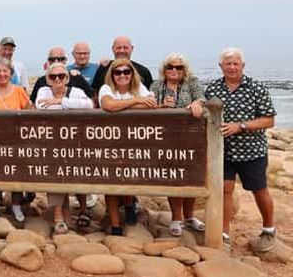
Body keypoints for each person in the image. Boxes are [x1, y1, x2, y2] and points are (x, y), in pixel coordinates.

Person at [204, 47, 277, 251]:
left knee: (259, 190)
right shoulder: (213, 89)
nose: (232, 67)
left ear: (243, 65)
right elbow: (206, 115)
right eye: (228, 64)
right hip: (222, 152)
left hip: (252, 152)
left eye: (236, 63)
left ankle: (269, 230)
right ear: (221, 66)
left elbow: (269, 120)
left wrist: (240, 126)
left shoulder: (256, 87)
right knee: (226, 190)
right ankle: (224, 234)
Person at [149, 53, 206, 236]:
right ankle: (176, 218)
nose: (174, 70)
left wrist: (197, 103)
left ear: (184, 70)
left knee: (191, 177)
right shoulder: (157, 85)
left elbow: (202, 98)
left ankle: (189, 217)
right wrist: (160, 106)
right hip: (165, 139)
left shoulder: (192, 82)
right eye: (170, 67)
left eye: (178, 67)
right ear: (164, 70)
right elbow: (148, 106)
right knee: (174, 177)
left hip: (190, 138)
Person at [99, 59, 157, 235]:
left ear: (132, 74)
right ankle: (116, 225)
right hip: (110, 142)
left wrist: (123, 105)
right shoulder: (106, 89)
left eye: (126, 71)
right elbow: (108, 105)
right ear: (112, 74)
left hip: (134, 142)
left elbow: (151, 106)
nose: (122, 75)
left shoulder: (140, 88)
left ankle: (129, 205)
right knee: (110, 184)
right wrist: (136, 102)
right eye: (118, 72)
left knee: (128, 177)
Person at [34, 63, 95, 234]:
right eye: (53, 77)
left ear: (67, 78)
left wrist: (61, 101)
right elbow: (41, 106)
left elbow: (89, 105)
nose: (58, 80)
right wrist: (70, 105)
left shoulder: (76, 91)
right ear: (48, 79)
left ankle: (83, 210)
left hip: (76, 142)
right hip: (52, 143)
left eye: (61, 76)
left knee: (79, 174)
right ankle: (59, 215)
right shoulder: (43, 92)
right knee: (54, 176)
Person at [0, 58, 31, 221]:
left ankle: (16, 205)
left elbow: (30, 112)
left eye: (5, 71)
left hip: (17, 140)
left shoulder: (19, 91)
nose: (2, 74)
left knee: (15, 172)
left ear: (10, 73)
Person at [29, 47, 93, 105]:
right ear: (48, 61)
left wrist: (61, 101)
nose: (56, 61)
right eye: (52, 59)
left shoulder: (77, 78)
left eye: (60, 59)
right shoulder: (41, 82)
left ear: (65, 61)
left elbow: (91, 102)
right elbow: (34, 104)